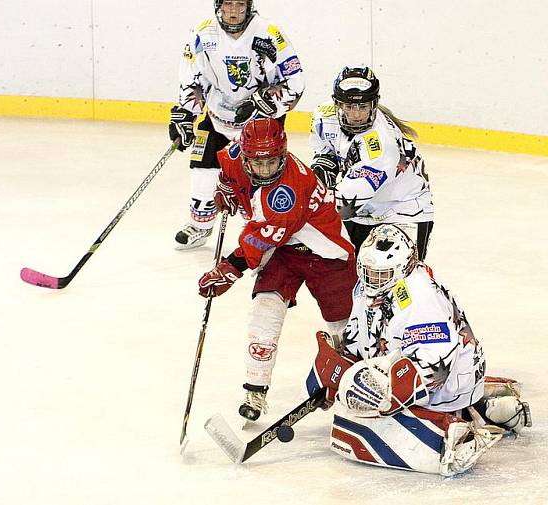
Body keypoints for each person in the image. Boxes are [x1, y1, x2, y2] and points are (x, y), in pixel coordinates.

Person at [307, 224, 531, 476]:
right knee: (352, 391)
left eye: (380, 274)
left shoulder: (419, 296)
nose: (371, 279)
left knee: (354, 412)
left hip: (446, 386)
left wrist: (384, 393)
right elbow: (359, 336)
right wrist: (337, 365)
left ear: (402, 268)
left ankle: (451, 437)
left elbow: (435, 364)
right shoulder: (370, 287)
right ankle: (483, 409)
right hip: (434, 375)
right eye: (367, 271)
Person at [197, 118, 357, 422]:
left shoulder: (287, 194)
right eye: (257, 164)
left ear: (283, 155)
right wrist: (227, 189)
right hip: (284, 251)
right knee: (264, 310)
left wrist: (227, 270)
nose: (265, 170)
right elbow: (227, 171)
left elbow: (256, 242)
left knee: (345, 329)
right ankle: (255, 391)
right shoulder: (236, 154)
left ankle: (354, 386)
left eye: (272, 162)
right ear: (245, 156)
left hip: (328, 255)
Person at [169, 0, 305, 250]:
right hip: (217, 118)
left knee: (258, 180)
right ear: (218, 6)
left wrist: (261, 101)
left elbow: (294, 82)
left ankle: (263, 228)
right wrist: (185, 112)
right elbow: (191, 77)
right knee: (203, 175)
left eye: (239, 4)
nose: (233, 11)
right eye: (228, 4)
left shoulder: (269, 33)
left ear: (249, 6)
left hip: (260, 124)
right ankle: (200, 226)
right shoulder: (203, 33)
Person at [309, 66, 434, 259]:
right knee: (349, 276)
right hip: (364, 208)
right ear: (338, 104)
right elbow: (325, 151)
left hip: (402, 209)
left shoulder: (381, 147)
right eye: (349, 107)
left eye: (363, 107)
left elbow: (344, 206)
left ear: (373, 105)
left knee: (394, 277)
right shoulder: (323, 116)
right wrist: (324, 166)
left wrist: (299, 208)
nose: (356, 114)